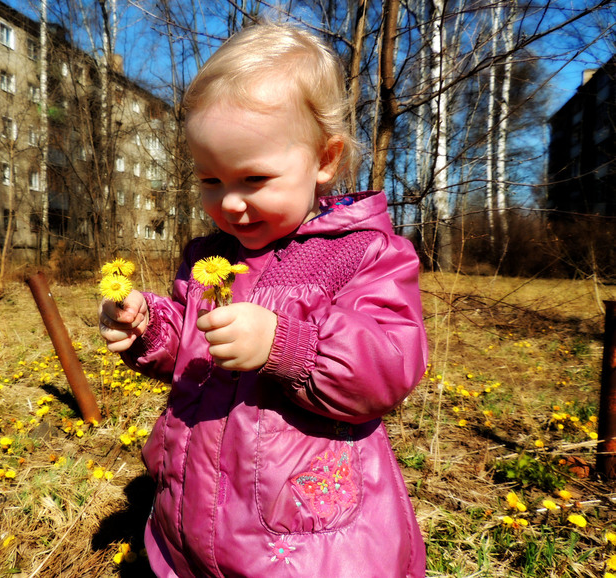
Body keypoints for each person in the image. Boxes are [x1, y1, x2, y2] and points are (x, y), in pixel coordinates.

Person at [99, 21, 428, 578]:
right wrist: (149, 327)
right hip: (193, 515)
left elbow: (390, 368)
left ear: (324, 160)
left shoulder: (364, 253)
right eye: (210, 180)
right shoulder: (211, 256)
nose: (230, 204)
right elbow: (194, 348)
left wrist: (285, 343)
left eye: (254, 179)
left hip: (303, 539)